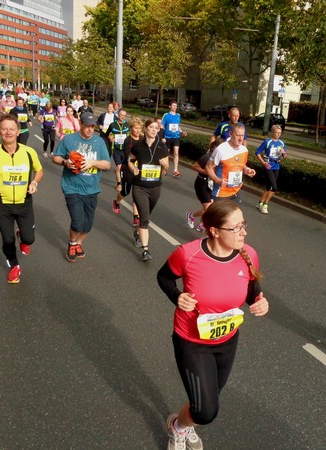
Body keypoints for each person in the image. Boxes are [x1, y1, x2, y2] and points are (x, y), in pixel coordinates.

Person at [157, 200, 269, 450]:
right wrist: (177, 296)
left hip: (227, 340)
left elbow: (251, 286)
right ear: (215, 231)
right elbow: (164, 277)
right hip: (192, 342)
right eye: (236, 228)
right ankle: (177, 426)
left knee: (208, 398)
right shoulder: (187, 254)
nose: (243, 232)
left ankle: (186, 425)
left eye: (244, 225)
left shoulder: (248, 254)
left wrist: (259, 301)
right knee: (206, 411)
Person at [0, 115, 44, 283]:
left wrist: (34, 182)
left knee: (29, 239)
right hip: (2, 204)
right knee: (7, 239)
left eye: (12, 129)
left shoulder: (29, 152)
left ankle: (23, 236)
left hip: (24, 202)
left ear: (18, 131)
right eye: (4, 129)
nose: (8, 132)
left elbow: (39, 170)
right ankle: (14, 266)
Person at [52, 112, 111, 262]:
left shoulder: (99, 142)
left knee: (87, 225)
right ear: (80, 124)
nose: (90, 129)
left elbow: (106, 165)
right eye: (87, 126)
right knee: (77, 222)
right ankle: (72, 243)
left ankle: (79, 243)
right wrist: (65, 162)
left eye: (92, 126)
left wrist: (92, 163)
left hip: (92, 189)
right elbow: (56, 157)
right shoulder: (69, 140)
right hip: (72, 187)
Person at [128, 118, 169, 261]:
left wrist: (164, 165)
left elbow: (167, 166)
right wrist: (133, 168)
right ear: (145, 129)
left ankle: (137, 232)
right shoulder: (138, 146)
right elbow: (130, 160)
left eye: (156, 128)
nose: (153, 130)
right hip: (139, 187)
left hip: (155, 187)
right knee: (144, 219)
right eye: (151, 127)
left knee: (146, 215)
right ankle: (145, 250)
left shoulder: (162, 147)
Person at [205, 123, 256, 203]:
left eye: (242, 135)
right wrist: (217, 181)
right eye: (238, 135)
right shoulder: (221, 150)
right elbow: (208, 167)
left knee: (238, 212)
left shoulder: (244, 150)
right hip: (221, 192)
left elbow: (241, 165)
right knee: (217, 212)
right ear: (230, 134)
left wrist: (247, 170)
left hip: (236, 190)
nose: (240, 139)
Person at [112, 116, 141, 226]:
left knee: (137, 194)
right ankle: (117, 201)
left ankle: (136, 217)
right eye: (136, 128)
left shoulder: (143, 139)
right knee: (125, 191)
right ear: (131, 128)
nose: (138, 130)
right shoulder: (128, 140)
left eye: (139, 128)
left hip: (139, 169)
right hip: (128, 168)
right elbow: (129, 156)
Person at [186, 140, 219, 232]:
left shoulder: (219, 158)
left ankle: (200, 223)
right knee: (209, 209)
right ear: (214, 149)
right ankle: (192, 217)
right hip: (201, 183)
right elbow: (195, 166)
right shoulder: (207, 157)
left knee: (210, 208)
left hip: (210, 184)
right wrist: (208, 172)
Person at [255, 125, 287, 214]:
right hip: (268, 166)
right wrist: (263, 163)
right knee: (274, 187)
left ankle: (260, 203)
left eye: (280, 133)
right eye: (276, 132)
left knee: (269, 186)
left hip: (276, 166)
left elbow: (284, 156)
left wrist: (284, 154)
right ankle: (265, 205)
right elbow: (257, 152)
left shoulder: (281, 143)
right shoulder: (267, 142)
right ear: (272, 132)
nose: (278, 134)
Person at [161, 100, 187, 177]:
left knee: (176, 152)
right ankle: (165, 168)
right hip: (167, 137)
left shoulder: (178, 115)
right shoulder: (166, 115)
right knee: (167, 153)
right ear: (169, 106)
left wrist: (182, 132)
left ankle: (175, 170)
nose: (175, 107)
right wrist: (162, 137)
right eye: (173, 105)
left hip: (176, 137)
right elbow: (162, 126)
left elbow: (177, 126)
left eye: (176, 106)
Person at [108, 109, 130, 189]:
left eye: (124, 115)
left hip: (125, 149)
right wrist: (110, 138)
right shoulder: (112, 125)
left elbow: (130, 135)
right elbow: (108, 134)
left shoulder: (127, 124)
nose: (123, 117)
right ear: (118, 115)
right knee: (119, 166)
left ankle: (118, 171)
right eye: (121, 115)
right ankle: (119, 184)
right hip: (116, 149)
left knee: (123, 167)